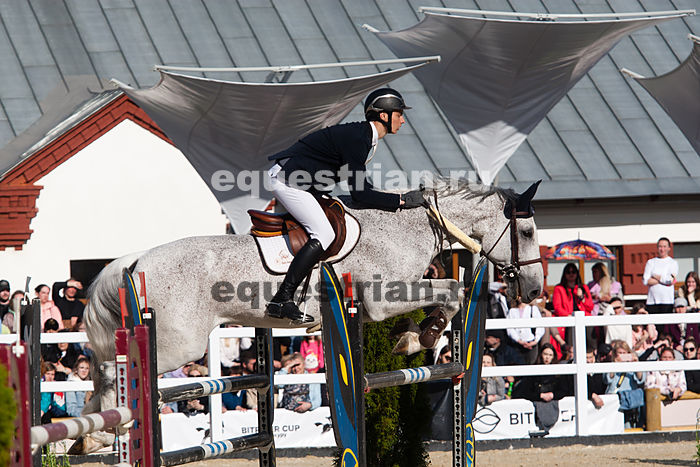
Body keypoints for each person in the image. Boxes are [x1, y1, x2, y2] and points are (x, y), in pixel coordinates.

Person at [264, 88, 425, 323]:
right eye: (399, 114)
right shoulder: (359, 138)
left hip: (304, 182)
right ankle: (282, 299)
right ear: (384, 115)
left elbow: (361, 188)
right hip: (287, 181)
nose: (403, 120)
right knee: (324, 233)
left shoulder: (364, 137)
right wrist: (400, 201)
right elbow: (360, 195)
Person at [513, 344, 567, 434]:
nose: (547, 357)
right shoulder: (533, 371)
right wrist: (540, 396)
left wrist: (553, 395)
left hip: (553, 400)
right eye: (545, 354)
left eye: (550, 355)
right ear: (541, 355)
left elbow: (564, 390)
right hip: (537, 400)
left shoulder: (558, 373)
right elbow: (526, 391)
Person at [552, 263, 594, 351]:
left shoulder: (584, 287)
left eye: (573, 272)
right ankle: (571, 351)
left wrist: (582, 297)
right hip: (568, 318)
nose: (571, 274)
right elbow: (557, 308)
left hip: (584, 317)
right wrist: (569, 316)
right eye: (568, 272)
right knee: (572, 325)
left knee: (591, 327)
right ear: (564, 274)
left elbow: (590, 307)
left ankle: (592, 351)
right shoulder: (559, 288)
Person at [604, 341, 645, 428]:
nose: (622, 355)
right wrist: (614, 364)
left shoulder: (633, 365)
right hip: (615, 399)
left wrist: (636, 364)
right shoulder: (610, 365)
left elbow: (640, 379)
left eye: (624, 353)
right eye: (620, 353)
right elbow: (607, 379)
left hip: (630, 400)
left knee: (629, 426)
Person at [643, 237, 678, 314]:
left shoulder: (673, 263)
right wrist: (663, 280)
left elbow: (670, 280)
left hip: (667, 301)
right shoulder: (651, 262)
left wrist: (654, 276)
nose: (662, 249)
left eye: (664, 246)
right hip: (652, 301)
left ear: (669, 248)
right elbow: (646, 281)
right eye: (660, 246)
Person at [506, 299, 544, 364]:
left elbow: (540, 326)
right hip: (517, 344)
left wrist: (535, 341)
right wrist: (518, 340)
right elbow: (510, 329)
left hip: (532, 343)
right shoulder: (512, 311)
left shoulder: (533, 309)